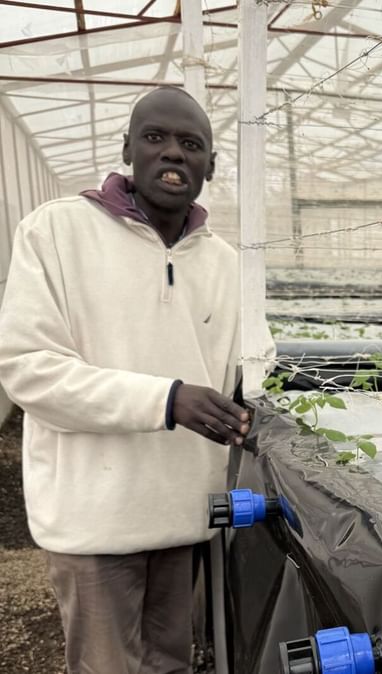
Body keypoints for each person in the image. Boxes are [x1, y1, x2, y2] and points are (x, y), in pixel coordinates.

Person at [0, 86, 274, 673]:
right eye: (157, 138)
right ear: (128, 147)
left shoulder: (226, 262)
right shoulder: (56, 233)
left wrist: (257, 394)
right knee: (106, 665)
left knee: (170, 660)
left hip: (181, 511)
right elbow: (29, 369)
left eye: (191, 144)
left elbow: (253, 361)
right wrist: (167, 399)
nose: (173, 154)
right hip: (93, 515)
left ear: (211, 165)